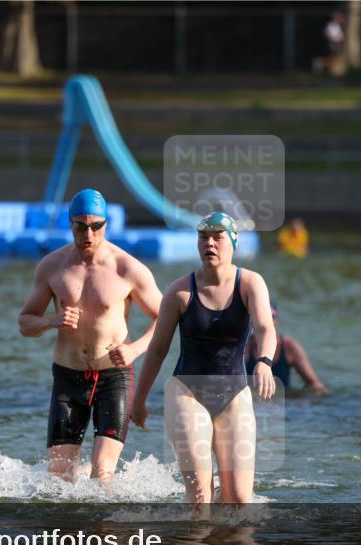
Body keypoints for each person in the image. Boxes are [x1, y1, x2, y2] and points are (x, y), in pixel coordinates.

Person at [17, 188, 163, 483]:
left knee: (102, 472)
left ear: (106, 224)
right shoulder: (52, 266)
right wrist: (52, 321)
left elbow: (166, 319)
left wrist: (134, 349)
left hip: (114, 378)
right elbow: (25, 323)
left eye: (96, 226)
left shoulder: (127, 268)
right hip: (68, 378)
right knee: (58, 477)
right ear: (70, 224)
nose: (89, 234)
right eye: (81, 226)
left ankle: (101, 506)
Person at [131, 212, 277, 505]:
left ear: (233, 242)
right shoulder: (180, 292)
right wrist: (139, 400)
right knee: (200, 499)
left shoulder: (250, 283)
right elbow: (158, 349)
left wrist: (264, 361)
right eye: (203, 237)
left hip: (234, 392)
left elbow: (265, 328)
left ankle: (223, 533)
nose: (209, 243)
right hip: (187, 393)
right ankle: (196, 535)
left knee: (239, 499)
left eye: (217, 237)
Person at [245, 301, 326, 394]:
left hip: (284, 398)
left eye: (271, 317)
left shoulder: (289, 347)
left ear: (277, 321)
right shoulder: (245, 346)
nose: (266, 321)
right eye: (260, 317)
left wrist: (305, 400)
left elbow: (315, 384)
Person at [313, 11, 346, 76]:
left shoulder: (338, 26)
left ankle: (323, 66)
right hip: (331, 44)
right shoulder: (330, 25)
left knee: (333, 58)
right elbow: (326, 34)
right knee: (332, 58)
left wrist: (341, 39)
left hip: (337, 44)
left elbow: (340, 36)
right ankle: (319, 63)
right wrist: (334, 39)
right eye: (340, 18)